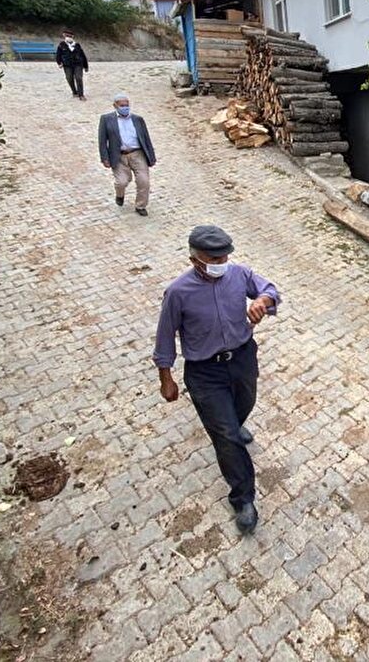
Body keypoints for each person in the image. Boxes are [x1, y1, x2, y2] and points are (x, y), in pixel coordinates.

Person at [153, 225, 280, 534]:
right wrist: (165, 377)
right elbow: (165, 335)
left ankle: (232, 428)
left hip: (242, 357)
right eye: (213, 259)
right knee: (226, 435)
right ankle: (243, 498)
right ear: (195, 260)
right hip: (205, 371)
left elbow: (270, 289)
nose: (221, 263)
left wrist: (263, 301)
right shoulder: (178, 292)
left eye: (224, 257)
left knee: (245, 404)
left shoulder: (238, 274)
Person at [97, 92, 156, 216]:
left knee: (144, 181)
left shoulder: (137, 119)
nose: (125, 108)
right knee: (122, 182)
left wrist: (151, 156)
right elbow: (102, 140)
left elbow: (146, 138)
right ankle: (120, 194)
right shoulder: (106, 119)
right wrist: (104, 158)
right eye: (122, 105)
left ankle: (140, 205)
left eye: (127, 105)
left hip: (137, 154)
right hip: (119, 156)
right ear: (115, 106)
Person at [55, 29, 89, 100]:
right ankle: (74, 92)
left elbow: (82, 55)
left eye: (70, 36)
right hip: (67, 65)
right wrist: (59, 63)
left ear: (72, 37)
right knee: (69, 78)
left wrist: (86, 66)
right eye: (67, 36)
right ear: (64, 36)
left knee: (78, 78)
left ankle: (81, 95)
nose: (68, 37)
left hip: (78, 64)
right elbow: (58, 55)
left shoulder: (77, 45)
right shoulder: (61, 45)